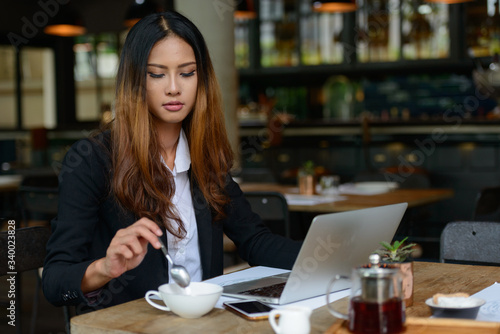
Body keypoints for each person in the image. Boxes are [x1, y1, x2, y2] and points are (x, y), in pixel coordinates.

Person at [42, 11, 301, 312]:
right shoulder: (92, 159)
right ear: (135, 80)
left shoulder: (204, 156)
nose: (174, 88)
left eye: (187, 72)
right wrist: (105, 267)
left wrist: (329, 258)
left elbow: (255, 241)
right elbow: (54, 282)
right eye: (157, 73)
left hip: (204, 324)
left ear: (200, 79)